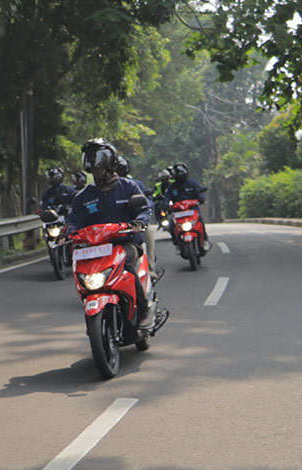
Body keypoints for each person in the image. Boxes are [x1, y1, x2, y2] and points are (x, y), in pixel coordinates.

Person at [66, 139, 153, 328]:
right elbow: (73, 221)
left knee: (128, 266)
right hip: (95, 250)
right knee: (81, 273)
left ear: (111, 161)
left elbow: (144, 209)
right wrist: (68, 232)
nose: (94, 165)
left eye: (98, 159)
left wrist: (139, 221)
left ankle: (143, 307)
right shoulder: (83, 197)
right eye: (90, 160)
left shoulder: (128, 187)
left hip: (125, 244)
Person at [115, 154, 157, 276]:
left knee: (147, 231)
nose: (117, 173)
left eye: (120, 169)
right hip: (113, 229)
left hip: (133, 224)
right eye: (114, 170)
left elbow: (146, 201)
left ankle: (149, 265)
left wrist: (140, 219)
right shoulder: (98, 190)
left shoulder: (134, 184)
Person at [164, 162, 211, 249]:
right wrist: (166, 205)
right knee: (171, 225)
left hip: (192, 209)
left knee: (200, 220)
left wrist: (201, 198)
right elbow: (167, 197)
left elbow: (199, 192)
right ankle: (177, 244)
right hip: (178, 212)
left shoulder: (192, 183)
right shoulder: (172, 187)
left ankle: (204, 240)